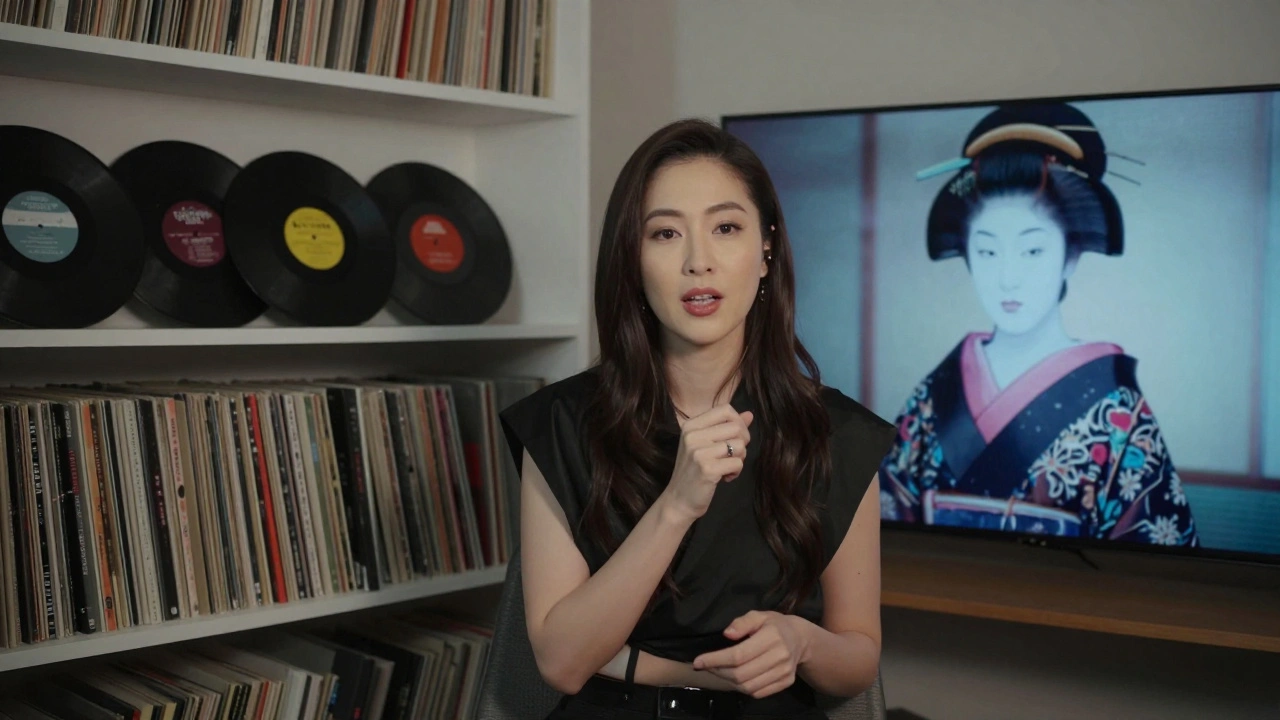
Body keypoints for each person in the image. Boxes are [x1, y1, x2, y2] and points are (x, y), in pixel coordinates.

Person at [499, 118, 897, 719]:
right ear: (632, 261)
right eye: (664, 234)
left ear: (765, 250)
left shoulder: (836, 434)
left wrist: (801, 642)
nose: (698, 262)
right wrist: (677, 503)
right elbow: (561, 661)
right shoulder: (561, 424)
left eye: (726, 228)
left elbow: (857, 659)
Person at [879, 102, 1199, 547]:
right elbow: (881, 536)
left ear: (1070, 255)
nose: (1008, 277)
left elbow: (1158, 563)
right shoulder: (935, 396)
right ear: (968, 256)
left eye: (1032, 251)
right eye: (989, 252)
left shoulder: (1117, 409)